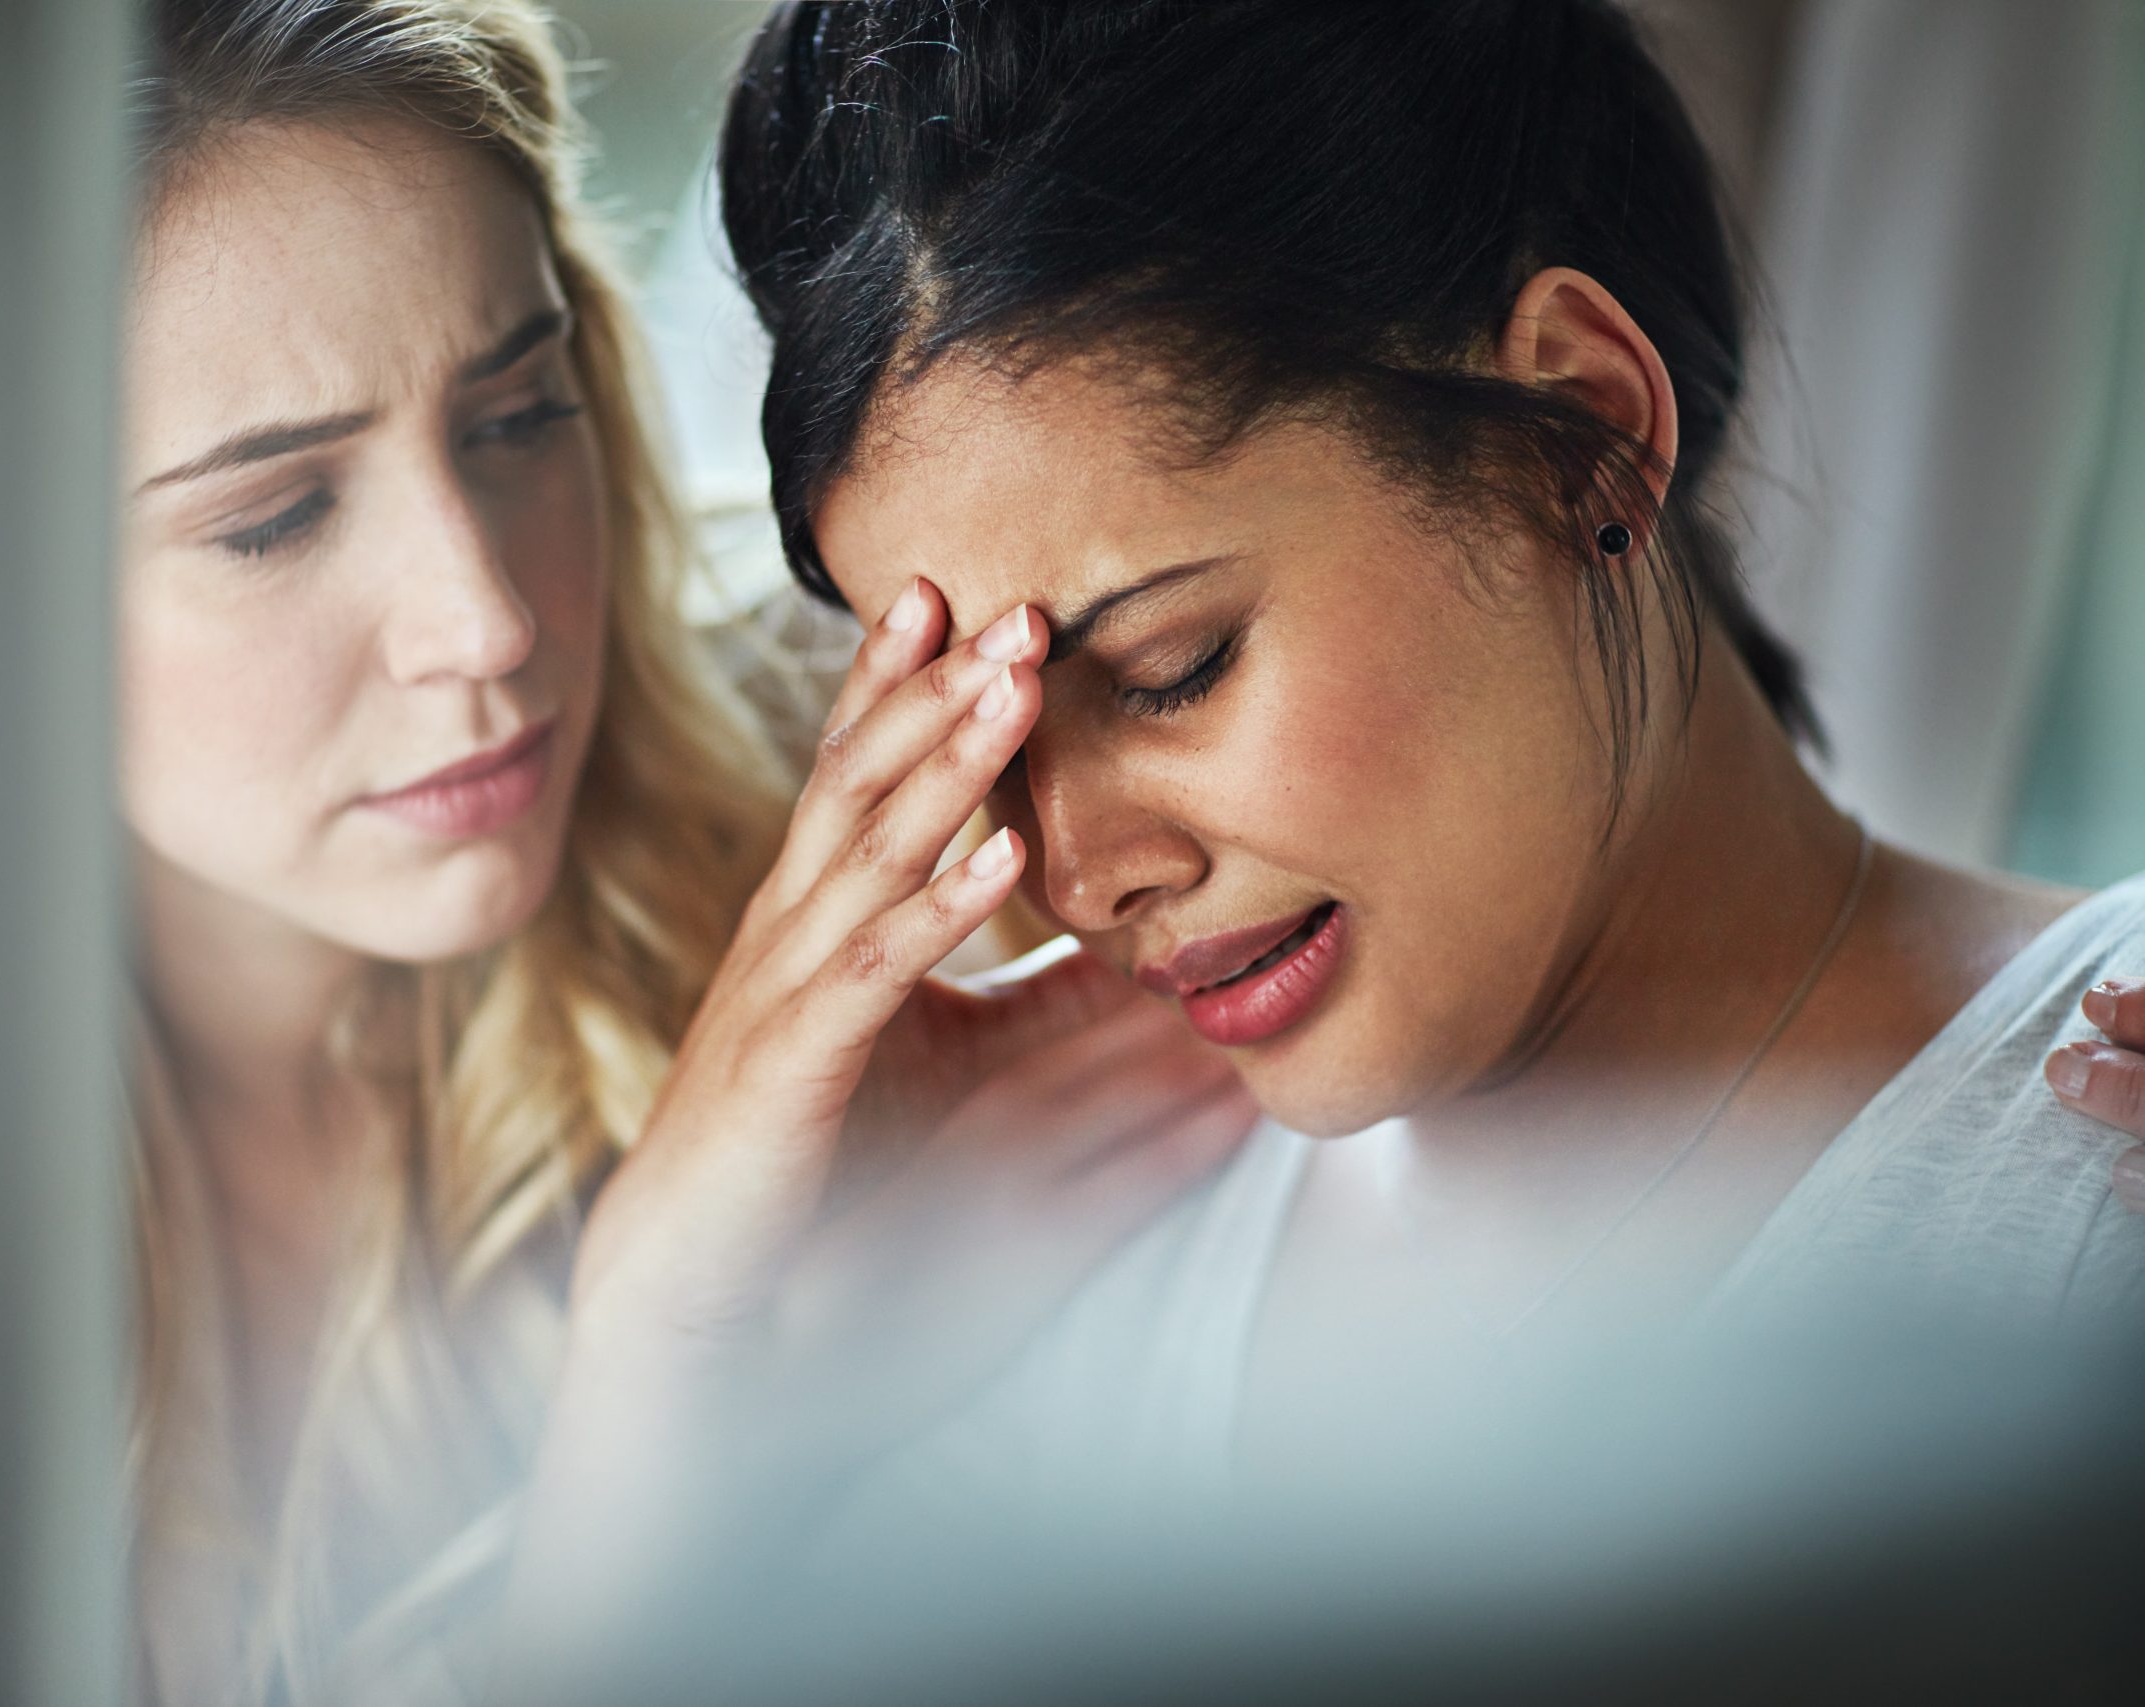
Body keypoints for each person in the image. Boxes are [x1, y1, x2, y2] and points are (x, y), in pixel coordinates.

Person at [701, 0, 2145, 1503]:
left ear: (1575, 428)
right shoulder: (1036, 1277)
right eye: (977, 744)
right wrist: (673, 1361)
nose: (1074, 874)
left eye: (1170, 668)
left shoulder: (2112, 1147)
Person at [119, 3, 1241, 1699]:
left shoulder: (839, 793)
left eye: (515, 416)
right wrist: (680, 1380)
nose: (486, 620)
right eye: (271, 516)